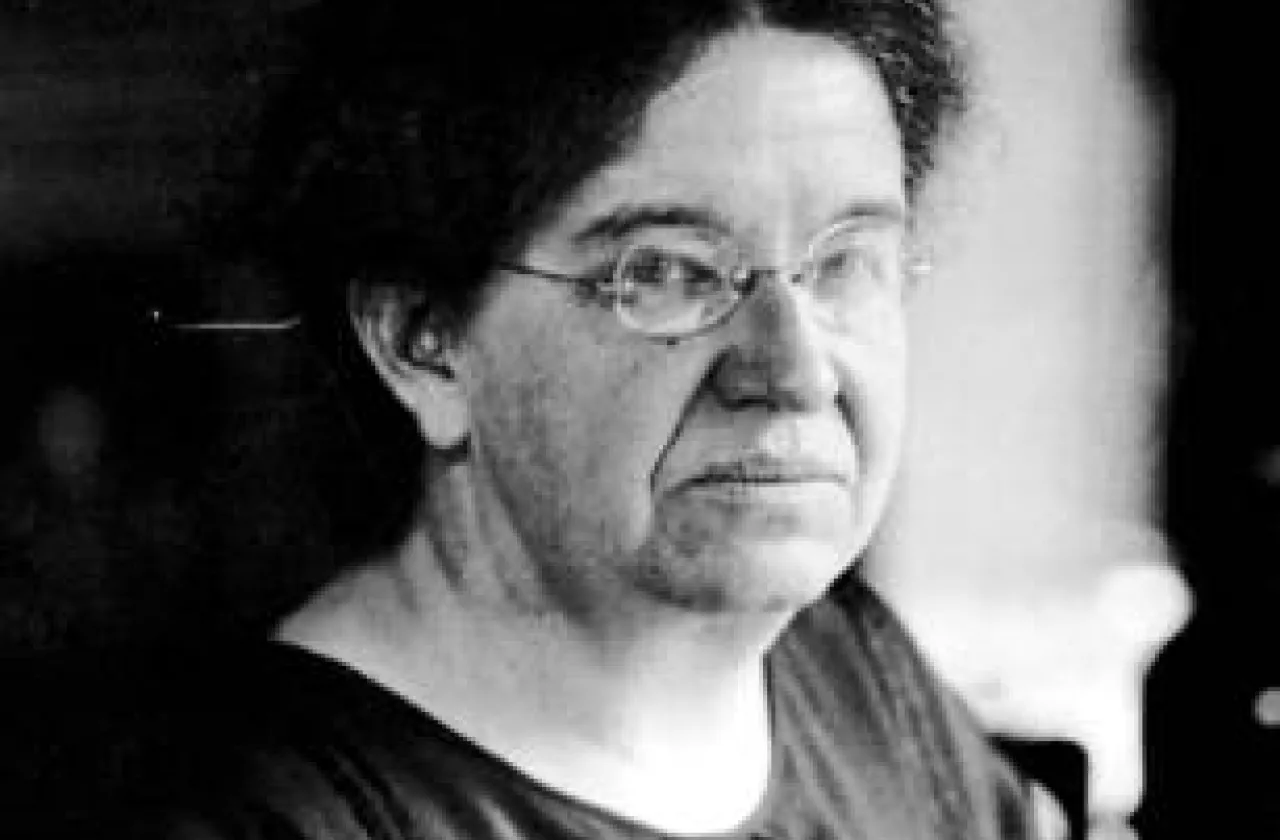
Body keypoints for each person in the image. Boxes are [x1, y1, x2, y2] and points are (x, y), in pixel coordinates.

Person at [110, 0, 1043, 837]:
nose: (795, 371)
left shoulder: (866, 683)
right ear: (424, 344)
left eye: (845, 265)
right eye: (666, 272)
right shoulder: (266, 815)